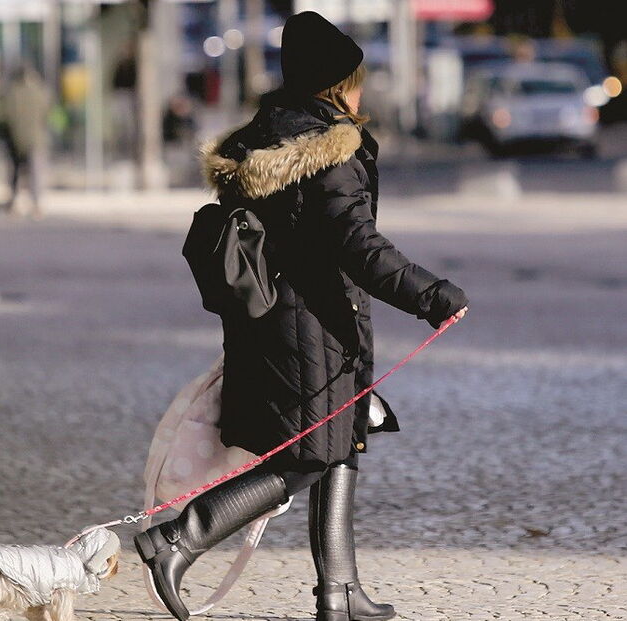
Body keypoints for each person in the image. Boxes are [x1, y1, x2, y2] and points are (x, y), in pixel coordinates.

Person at [134, 12, 469, 621]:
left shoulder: (267, 136)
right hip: (312, 327)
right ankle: (176, 541)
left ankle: (338, 592)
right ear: (338, 84)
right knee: (304, 458)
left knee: (342, 444)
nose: (362, 90)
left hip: (278, 325)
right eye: (356, 79)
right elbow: (358, 246)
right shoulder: (328, 153)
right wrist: (432, 294)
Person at [1, 65, 49, 215]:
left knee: (15, 172)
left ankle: (13, 202)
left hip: (15, 137)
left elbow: (5, 115)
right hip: (35, 138)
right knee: (36, 173)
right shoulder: (41, 92)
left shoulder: (11, 93)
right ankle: (36, 204)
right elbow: (46, 112)